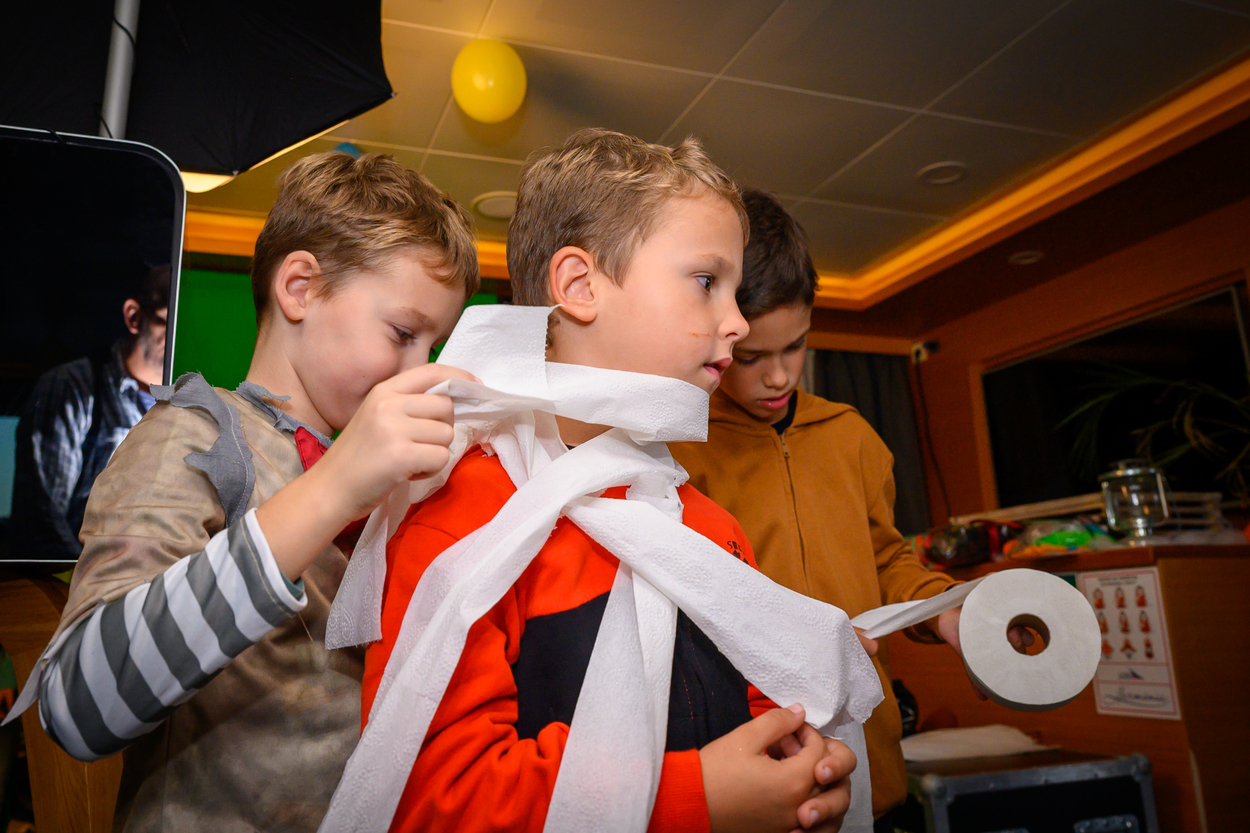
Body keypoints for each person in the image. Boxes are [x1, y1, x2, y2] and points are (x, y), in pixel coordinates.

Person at [348, 130, 863, 833]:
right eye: (706, 282)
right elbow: (433, 799)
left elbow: (758, 713)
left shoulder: (711, 529)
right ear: (580, 286)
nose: (738, 323)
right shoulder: (461, 517)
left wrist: (801, 778)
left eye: (735, 292)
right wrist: (695, 798)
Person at [5, 151, 479, 832]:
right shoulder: (195, 434)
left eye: (431, 348)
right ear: (300, 288)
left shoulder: (387, 486)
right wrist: (334, 488)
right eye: (403, 333)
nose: (418, 370)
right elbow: (78, 704)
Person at [669, 189, 968, 826]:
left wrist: (944, 611)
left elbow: (887, 561)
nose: (778, 376)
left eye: (796, 347)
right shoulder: (681, 447)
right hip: (754, 760)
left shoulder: (851, 435)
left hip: (869, 759)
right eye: (751, 357)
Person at [12, 264, 169, 560]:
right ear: (134, 316)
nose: (178, 334)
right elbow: (41, 521)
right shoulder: (72, 388)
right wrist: (89, 584)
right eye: (166, 319)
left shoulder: (189, 405)